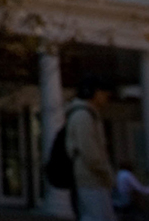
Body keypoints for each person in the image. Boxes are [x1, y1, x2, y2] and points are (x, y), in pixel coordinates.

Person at [66, 78, 116, 221]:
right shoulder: (83, 116)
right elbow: (89, 151)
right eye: (104, 93)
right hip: (90, 179)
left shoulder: (87, 115)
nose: (107, 97)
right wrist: (105, 171)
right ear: (94, 93)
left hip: (94, 179)